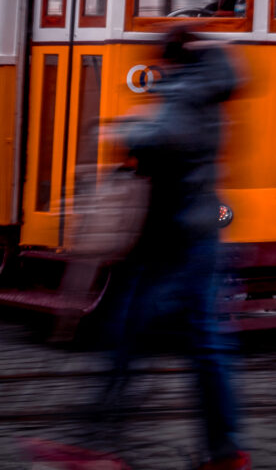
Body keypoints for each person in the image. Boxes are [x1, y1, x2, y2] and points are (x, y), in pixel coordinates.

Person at [99, 27, 249, 470]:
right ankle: (223, 450)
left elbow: (166, 137)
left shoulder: (187, 90)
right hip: (193, 230)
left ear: (169, 58)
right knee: (195, 339)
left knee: (134, 331)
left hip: (176, 236)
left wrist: (125, 134)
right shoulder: (207, 85)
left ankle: (104, 442)